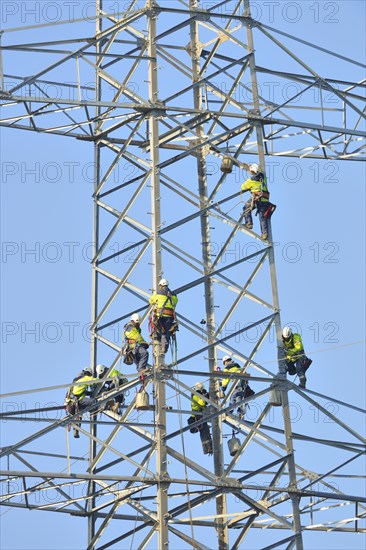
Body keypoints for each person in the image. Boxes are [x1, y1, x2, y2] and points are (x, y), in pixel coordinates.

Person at [65, 370, 100, 438]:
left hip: (70, 406)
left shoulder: (74, 383)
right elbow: (95, 380)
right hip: (78, 402)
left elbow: (80, 392)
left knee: (79, 415)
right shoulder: (84, 378)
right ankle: (96, 409)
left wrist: (90, 393)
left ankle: (76, 430)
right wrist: (103, 379)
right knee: (94, 402)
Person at [241, 163, 270, 241]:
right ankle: (264, 233)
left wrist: (249, 179)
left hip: (256, 199)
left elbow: (243, 187)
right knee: (262, 217)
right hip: (265, 199)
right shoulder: (262, 176)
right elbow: (257, 172)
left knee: (246, 208)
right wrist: (249, 167)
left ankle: (249, 223)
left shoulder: (251, 180)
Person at [149, 279, 178, 355]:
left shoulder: (158, 293)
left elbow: (151, 301)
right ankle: (164, 348)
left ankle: (156, 336)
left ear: (160, 285)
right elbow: (175, 302)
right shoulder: (173, 294)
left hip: (160, 315)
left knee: (162, 331)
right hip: (169, 316)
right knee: (166, 331)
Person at [189, 382, 213, 455]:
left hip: (199, 416)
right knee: (205, 432)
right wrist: (205, 396)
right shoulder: (196, 395)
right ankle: (208, 448)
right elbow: (201, 403)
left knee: (204, 432)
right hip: (198, 416)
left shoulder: (195, 394)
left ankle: (208, 448)